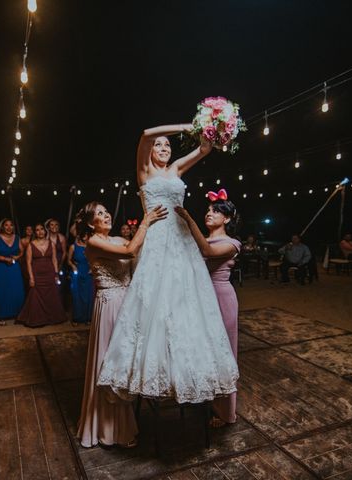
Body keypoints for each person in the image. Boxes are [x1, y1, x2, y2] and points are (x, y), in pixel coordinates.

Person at [97, 124, 239, 404]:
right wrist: (190, 126)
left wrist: (212, 127)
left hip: (182, 241)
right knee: (154, 303)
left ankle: (185, 371)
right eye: (160, 146)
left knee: (186, 304)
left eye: (168, 146)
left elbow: (205, 149)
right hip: (157, 240)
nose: (163, 148)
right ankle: (154, 371)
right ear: (151, 151)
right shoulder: (144, 172)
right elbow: (146, 133)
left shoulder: (175, 170)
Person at [76, 201, 167, 448]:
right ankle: (111, 430)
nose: (106, 216)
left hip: (128, 303)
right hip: (110, 305)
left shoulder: (117, 239)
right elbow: (129, 253)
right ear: (89, 222)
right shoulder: (93, 242)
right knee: (110, 363)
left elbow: (135, 250)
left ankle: (124, 421)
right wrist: (146, 222)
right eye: (99, 214)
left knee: (126, 362)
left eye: (106, 212)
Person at [176, 188, 241, 427]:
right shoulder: (200, 239)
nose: (209, 213)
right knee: (204, 352)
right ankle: (207, 399)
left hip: (221, 297)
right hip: (200, 297)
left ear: (227, 218)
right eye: (208, 210)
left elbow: (208, 251)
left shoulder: (232, 243)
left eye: (216, 211)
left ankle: (226, 413)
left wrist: (189, 219)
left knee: (224, 353)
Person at [16, 223, 66, 327]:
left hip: (50, 273)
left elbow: (54, 259)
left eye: (42, 229)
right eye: (37, 230)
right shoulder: (31, 245)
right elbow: (28, 262)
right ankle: (38, 319)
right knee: (35, 296)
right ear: (35, 232)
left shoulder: (51, 243)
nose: (40, 232)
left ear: (45, 230)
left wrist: (56, 274)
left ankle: (51, 317)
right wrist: (31, 277)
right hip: (37, 274)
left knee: (51, 295)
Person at [0, 219, 25, 326]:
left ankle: (17, 313)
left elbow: (22, 251)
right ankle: (1, 315)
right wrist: (4, 259)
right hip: (1, 268)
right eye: (6, 225)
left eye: (11, 225)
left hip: (14, 267)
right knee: (1, 290)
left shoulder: (17, 238)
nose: (9, 227)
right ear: (2, 227)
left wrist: (18, 256)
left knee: (17, 290)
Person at [67, 233, 94, 325]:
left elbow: (96, 259)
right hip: (77, 272)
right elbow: (68, 260)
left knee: (88, 296)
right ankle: (76, 318)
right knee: (76, 296)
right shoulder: (73, 247)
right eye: (84, 235)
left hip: (88, 272)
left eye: (87, 235)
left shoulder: (92, 247)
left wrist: (92, 268)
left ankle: (88, 318)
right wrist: (73, 266)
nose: (85, 237)